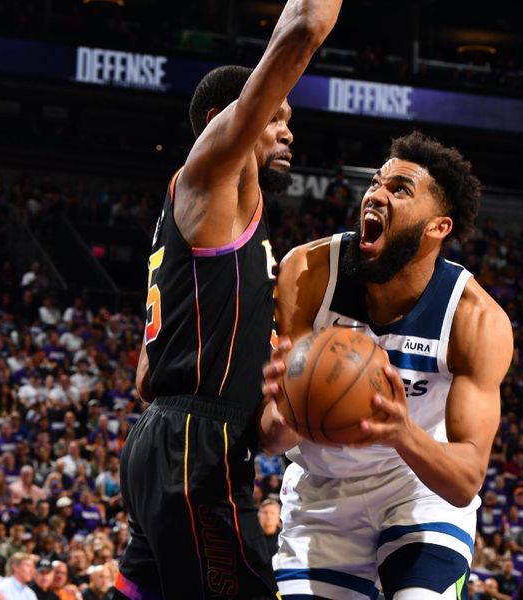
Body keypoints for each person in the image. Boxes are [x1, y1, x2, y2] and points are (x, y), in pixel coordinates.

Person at [115, 1, 342, 599]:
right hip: (196, 452)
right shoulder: (219, 172)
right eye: (275, 116)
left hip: (174, 438)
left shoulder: (202, 218)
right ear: (225, 122)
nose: (287, 128)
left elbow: (145, 375)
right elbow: (301, 30)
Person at [261, 131, 513, 599]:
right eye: (377, 182)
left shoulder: (475, 319)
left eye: (400, 189)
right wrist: (287, 410)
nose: (376, 193)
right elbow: (273, 439)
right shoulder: (309, 272)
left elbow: (463, 482)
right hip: (323, 492)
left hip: (419, 490)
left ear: (438, 227)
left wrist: (401, 432)